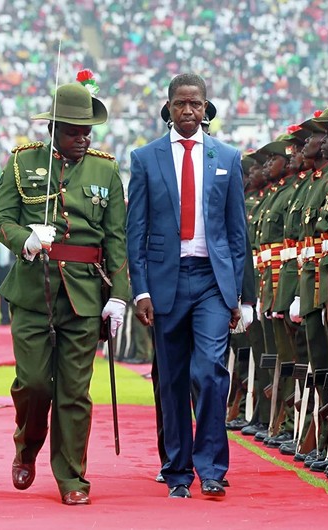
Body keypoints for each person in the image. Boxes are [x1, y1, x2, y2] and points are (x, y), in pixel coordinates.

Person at [0, 69, 130, 506]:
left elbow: (116, 239)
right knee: (34, 384)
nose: (83, 139)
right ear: (53, 129)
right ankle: (27, 444)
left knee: (75, 392)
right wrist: (25, 241)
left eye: (87, 131)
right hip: (33, 288)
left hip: (86, 293)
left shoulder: (106, 170)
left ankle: (72, 477)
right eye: (73, 132)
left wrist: (119, 295)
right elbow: (1, 220)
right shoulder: (22, 162)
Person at [127, 73, 246, 499]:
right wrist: (140, 291)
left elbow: (237, 233)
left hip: (212, 282)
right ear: (169, 107)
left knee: (210, 372)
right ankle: (177, 471)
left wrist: (241, 296)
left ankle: (212, 467)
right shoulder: (145, 158)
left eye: (196, 104)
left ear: (206, 107)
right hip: (165, 282)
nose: (189, 111)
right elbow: (134, 230)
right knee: (172, 378)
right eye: (181, 104)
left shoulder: (228, 158)